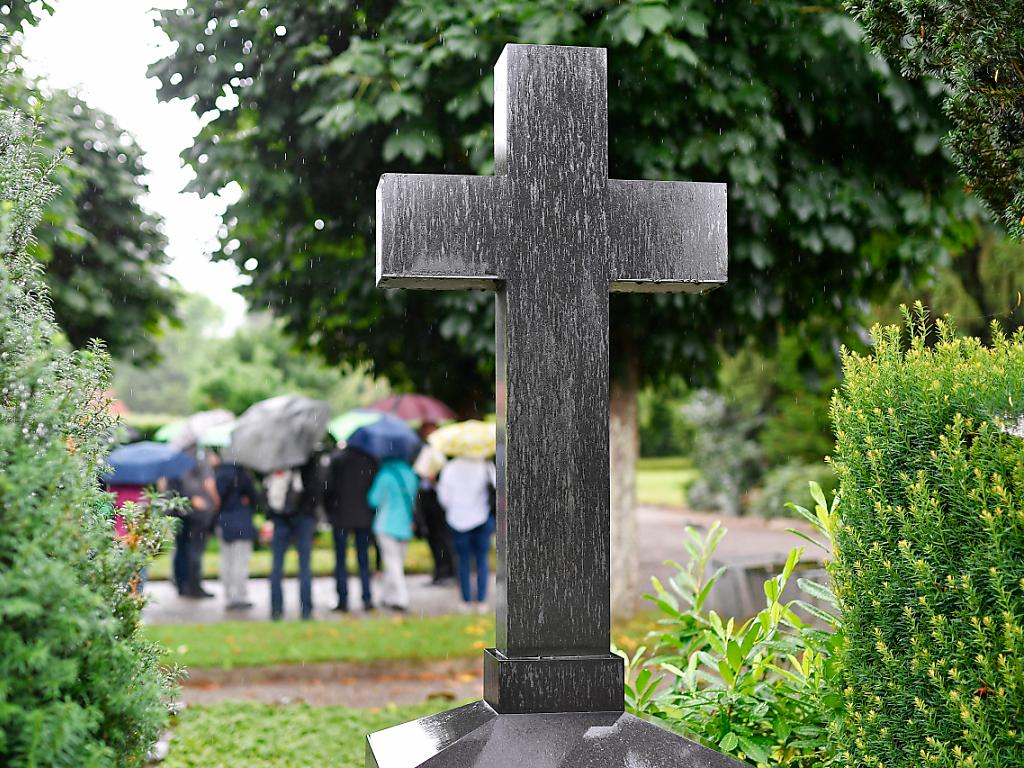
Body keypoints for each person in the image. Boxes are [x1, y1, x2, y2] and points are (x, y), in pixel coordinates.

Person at [437, 456, 496, 613]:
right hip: (482, 517)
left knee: (462, 560)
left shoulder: (449, 468)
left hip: (458, 520)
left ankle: (466, 601)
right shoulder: (486, 466)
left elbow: (444, 498)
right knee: (482, 560)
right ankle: (482, 601)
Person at [323, 444, 378, 612]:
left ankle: (343, 600)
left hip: (341, 516)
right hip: (363, 517)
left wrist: (330, 511)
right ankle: (367, 598)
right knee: (364, 559)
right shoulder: (369, 460)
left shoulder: (337, 459)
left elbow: (327, 488)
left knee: (341, 560)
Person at [266, 454, 320, 620]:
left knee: (277, 565)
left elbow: (266, 490)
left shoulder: (275, 459)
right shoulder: (308, 459)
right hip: (303, 517)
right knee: (304, 566)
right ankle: (306, 610)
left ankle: (276, 610)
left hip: (280, 517)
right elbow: (316, 490)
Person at [367, 457, 419, 612]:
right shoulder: (411, 474)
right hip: (405, 524)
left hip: (386, 524)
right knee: (396, 562)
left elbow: (373, 500)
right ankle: (386, 596)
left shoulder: (385, 474)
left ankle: (402, 597)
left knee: (392, 563)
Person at [168, 452, 220, 599]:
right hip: (194, 515)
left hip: (181, 513)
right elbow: (198, 487)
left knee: (182, 550)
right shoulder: (193, 463)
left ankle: (182, 584)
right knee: (193, 551)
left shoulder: (176, 463)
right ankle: (193, 586)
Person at [214, 458, 259, 610]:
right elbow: (254, 497)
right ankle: (239, 595)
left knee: (226, 560)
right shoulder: (243, 474)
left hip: (224, 521)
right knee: (240, 561)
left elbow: (217, 498)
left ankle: (229, 594)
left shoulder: (219, 474)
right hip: (241, 521)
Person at [413, 426, 455, 585]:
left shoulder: (444, 454)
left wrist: (435, 478)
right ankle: (438, 571)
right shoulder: (422, 451)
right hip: (426, 501)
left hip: (439, 501)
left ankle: (448, 571)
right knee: (432, 537)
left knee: (442, 538)